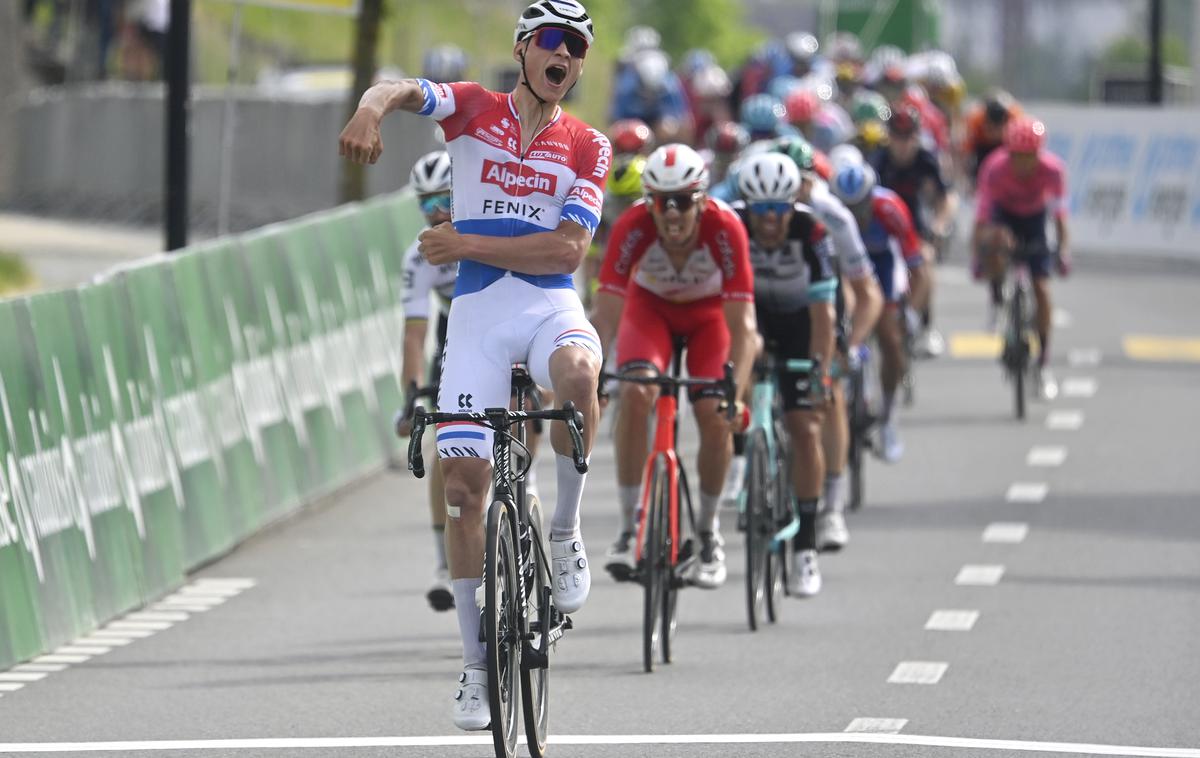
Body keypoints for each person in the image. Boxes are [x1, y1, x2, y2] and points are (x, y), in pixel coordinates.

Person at [337, 0, 609, 731]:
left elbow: (565, 253)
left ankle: (565, 531)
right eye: (553, 41)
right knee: (462, 490)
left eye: (577, 47)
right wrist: (369, 112)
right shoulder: (472, 109)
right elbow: (399, 88)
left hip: (549, 305)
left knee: (580, 377)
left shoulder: (590, 144)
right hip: (480, 323)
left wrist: (464, 245)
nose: (565, 55)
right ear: (523, 49)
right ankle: (475, 667)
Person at [591, 143, 757, 590]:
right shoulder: (632, 226)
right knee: (636, 392)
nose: (672, 214)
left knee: (713, 412)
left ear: (701, 199)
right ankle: (630, 525)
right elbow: (605, 315)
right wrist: (594, 376)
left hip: (708, 319)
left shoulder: (726, 228)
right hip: (652, 314)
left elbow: (743, 327)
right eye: (661, 202)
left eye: (683, 201)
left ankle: (706, 531)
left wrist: (735, 393)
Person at [733, 152, 836, 595]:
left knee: (805, 427)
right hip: (751, 315)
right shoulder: (732, 224)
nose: (769, 221)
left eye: (778, 209)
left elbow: (824, 315)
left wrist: (819, 372)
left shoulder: (812, 231)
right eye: (760, 210)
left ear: (791, 205)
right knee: (735, 374)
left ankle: (807, 546)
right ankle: (742, 454)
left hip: (801, 322)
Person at [776, 138, 883, 550]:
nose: (791, 195)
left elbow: (866, 292)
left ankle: (833, 507)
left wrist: (850, 346)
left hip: (823, 300)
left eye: (799, 184)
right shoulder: (753, 209)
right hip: (771, 300)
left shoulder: (832, 215)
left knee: (831, 390)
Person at [830, 159, 926, 464]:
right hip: (844, 267)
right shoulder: (828, 214)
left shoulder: (890, 208)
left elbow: (917, 268)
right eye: (849, 209)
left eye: (861, 208)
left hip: (881, 266)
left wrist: (910, 311)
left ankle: (887, 415)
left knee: (890, 339)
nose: (856, 217)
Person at [973, 116, 1071, 399]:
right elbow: (982, 218)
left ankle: (1043, 365)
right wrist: (980, 257)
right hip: (1004, 216)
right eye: (1019, 156)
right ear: (1010, 153)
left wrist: (1062, 251)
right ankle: (996, 300)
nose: (1025, 163)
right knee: (997, 240)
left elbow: (1060, 216)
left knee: (1042, 289)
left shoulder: (1053, 170)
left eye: (1031, 157)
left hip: (1034, 220)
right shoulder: (995, 168)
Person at [869, 104, 957, 358]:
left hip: (914, 224)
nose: (903, 143)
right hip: (883, 226)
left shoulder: (926, 158)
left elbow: (947, 196)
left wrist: (940, 223)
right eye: (897, 136)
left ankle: (918, 322)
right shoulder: (879, 159)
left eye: (909, 137)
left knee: (925, 260)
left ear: (917, 136)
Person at [963, 90, 1021, 184]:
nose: (994, 134)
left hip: (1006, 145)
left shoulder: (1015, 121)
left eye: (998, 128)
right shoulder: (975, 121)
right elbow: (967, 152)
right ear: (986, 123)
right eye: (991, 128)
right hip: (983, 146)